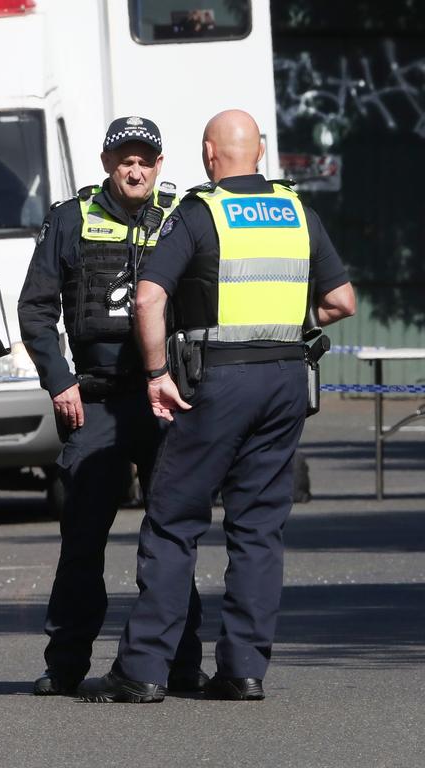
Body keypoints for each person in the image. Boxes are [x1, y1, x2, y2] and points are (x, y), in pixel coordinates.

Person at [79, 110, 356, 703]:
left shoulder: (202, 212)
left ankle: (144, 670)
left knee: (174, 521)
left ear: (209, 154)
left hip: (217, 381)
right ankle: (243, 670)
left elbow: (149, 298)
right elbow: (341, 301)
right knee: (258, 528)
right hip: (285, 379)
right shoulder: (295, 212)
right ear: (261, 151)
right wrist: (282, 327)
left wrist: (156, 373)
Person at [18, 116, 205, 697]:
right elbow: (36, 308)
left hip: (164, 400)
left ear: (159, 166)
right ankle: (66, 663)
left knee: (171, 536)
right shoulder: (71, 219)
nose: (135, 168)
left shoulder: (180, 216)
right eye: (125, 158)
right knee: (82, 540)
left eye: (146, 160)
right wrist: (59, 381)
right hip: (94, 400)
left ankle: (181, 661)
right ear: (106, 164)